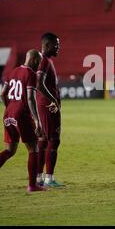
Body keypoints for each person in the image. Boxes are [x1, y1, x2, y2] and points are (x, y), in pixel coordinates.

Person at [0, 50, 46, 192]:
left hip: (8, 114)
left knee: (9, 150)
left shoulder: (13, 71)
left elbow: (2, 93)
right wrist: (37, 121)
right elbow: (30, 98)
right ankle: (32, 185)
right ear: (35, 60)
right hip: (21, 115)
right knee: (33, 148)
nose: (39, 65)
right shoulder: (30, 74)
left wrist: (9, 107)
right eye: (39, 62)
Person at [36, 32, 63, 188]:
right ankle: (49, 178)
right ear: (47, 45)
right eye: (56, 44)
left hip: (44, 105)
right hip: (48, 106)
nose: (58, 47)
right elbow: (39, 84)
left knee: (44, 140)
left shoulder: (46, 60)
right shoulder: (44, 61)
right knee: (53, 140)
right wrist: (53, 100)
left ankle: (39, 177)